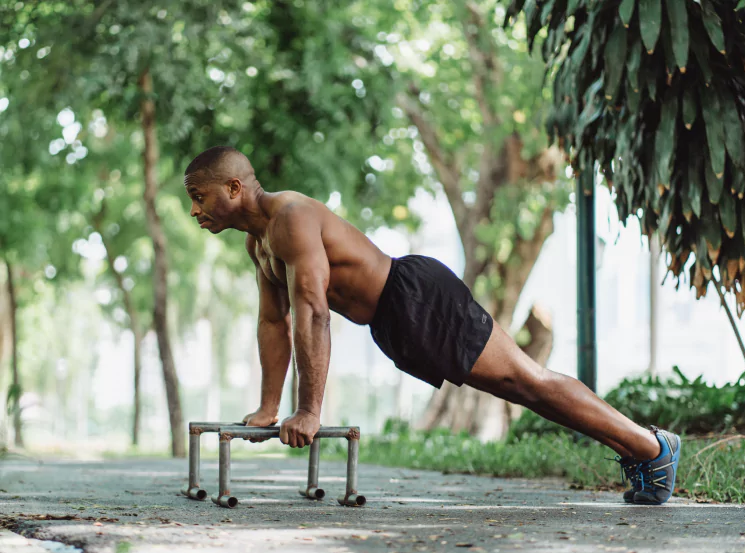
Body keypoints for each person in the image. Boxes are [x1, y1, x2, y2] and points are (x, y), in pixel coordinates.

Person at [183, 146, 681, 505]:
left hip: (416, 296)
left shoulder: (290, 217)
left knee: (528, 381)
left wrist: (309, 411)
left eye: (199, 196)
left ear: (233, 187)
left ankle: (652, 447)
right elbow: (275, 321)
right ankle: (641, 454)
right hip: (392, 322)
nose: (194, 209)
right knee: (522, 390)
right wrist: (271, 407)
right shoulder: (259, 244)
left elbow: (313, 311)